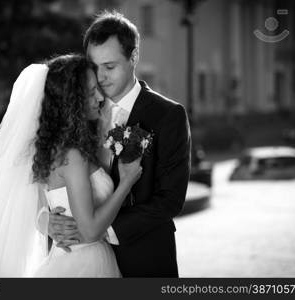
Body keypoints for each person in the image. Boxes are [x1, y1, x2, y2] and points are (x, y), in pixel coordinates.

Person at [0, 54, 142, 277]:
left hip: (77, 257)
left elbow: (40, 201)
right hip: (85, 264)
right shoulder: (72, 154)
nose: (100, 96)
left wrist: (44, 219)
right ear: (72, 100)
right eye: (91, 91)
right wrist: (126, 183)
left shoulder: (56, 147)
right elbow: (91, 230)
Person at [47, 11, 192, 277]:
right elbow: (51, 180)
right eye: (94, 66)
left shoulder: (168, 115)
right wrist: (47, 222)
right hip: (81, 262)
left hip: (144, 258)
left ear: (134, 57)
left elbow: (170, 200)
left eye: (110, 66)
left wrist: (102, 230)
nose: (101, 77)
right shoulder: (80, 111)